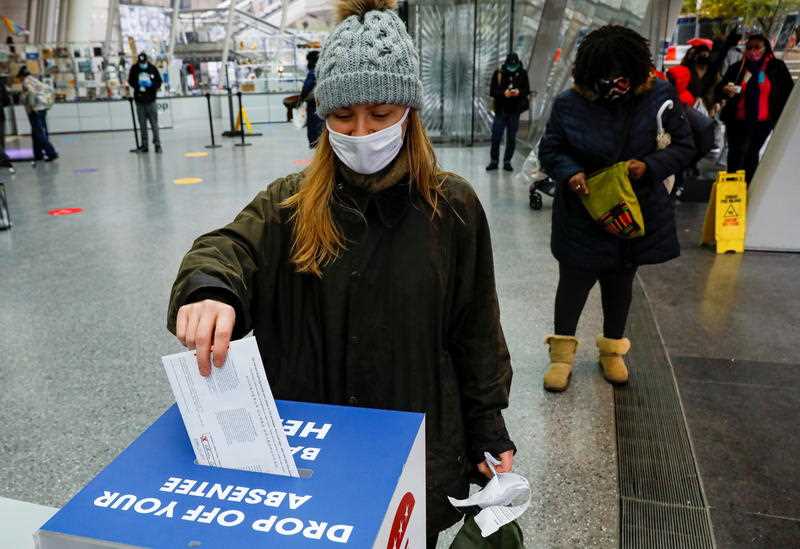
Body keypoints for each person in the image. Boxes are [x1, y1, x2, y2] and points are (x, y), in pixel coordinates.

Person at [166, 0, 516, 546]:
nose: (360, 131)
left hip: (411, 444)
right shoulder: (290, 203)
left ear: (410, 113)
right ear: (322, 114)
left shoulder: (451, 208)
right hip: (313, 450)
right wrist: (210, 291)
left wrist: (488, 429)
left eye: (380, 115)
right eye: (342, 115)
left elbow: (475, 328)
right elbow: (227, 247)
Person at [537, 25, 694, 392]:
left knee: (620, 284)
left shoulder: (660, 97)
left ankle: (612, 351)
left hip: (633, 213)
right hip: (582, 213)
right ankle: (561, 356)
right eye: (605, 77)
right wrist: (570, 172)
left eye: (621, 76)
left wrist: (650, 166)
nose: (614, 84)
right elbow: (551, 149)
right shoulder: (568, 104)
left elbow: (685, 145)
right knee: (573, 285)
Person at [717, 33, 794, 184]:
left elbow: (786, 91)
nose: (753, 51)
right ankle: (731, 191)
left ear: (765, 48)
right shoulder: (738, 68)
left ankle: (748, 187)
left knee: (751, 154)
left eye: (757, 47)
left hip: (762, 122)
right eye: (750, 47)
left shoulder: (776, 67)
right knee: (735, 154)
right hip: (737, 121)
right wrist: (725, 90)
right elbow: (720, 88)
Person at [487, 52, 530, 172]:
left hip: (514, 111)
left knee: (511, 138)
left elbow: (526, 90)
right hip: (501, 110)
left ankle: (507, 161)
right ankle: (494, 161)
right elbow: (492, 91)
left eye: (514, 65)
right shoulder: (499, 73)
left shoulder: (522, 73)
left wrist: (518, 92)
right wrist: (503, 93)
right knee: (496, 137)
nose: (512, 67)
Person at [19, 66, 58, 163]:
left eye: (19, 77)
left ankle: (51, 153)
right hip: (42, 109)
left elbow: (31, 94)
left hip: (35, 110)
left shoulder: (26, 82)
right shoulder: (35, 80)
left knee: (39, 133)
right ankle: (38, 154)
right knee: (36, 133)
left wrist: (32, 107)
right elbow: (49, 90)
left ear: (22, 76)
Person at [127, 53, 163, 153]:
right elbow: (130, 81)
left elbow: (159, 82)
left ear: (147, 61)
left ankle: (158, 145)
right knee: (142, 125)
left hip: (151, 101)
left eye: (143, 62)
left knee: (154, 124)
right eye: (140, 63)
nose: (142, 64)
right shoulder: (134, 68)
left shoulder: (153, 68)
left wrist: (151, 85)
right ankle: (144, 145)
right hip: (139, 101)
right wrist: (137, 84)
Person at [298, 50, 323, 148]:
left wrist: (301, 98)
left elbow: (306, 88)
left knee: (313, 125)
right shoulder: (322, 70)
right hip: (321, 102)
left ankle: (315, 144)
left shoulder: (313, 72)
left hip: (313, 104)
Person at [0, 76, 14, 173]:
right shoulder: (1, 84)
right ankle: (2, 159)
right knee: (1, 138)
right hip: (0, 114)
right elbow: (6, 100)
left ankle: (4, 158)